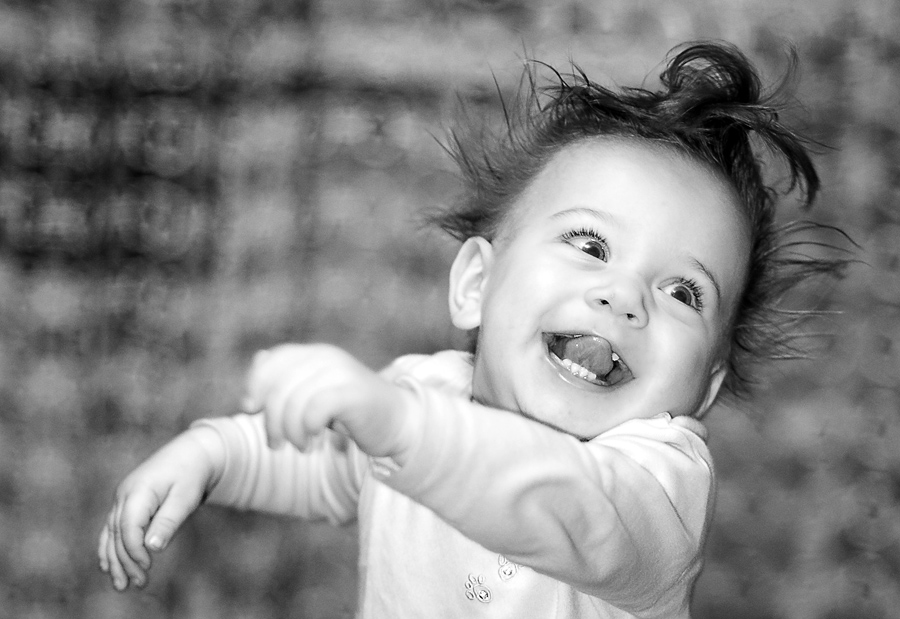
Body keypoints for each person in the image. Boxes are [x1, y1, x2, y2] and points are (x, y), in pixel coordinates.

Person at [98, 42, 848, 618]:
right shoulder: (423, 394)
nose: (624, 297)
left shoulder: (660, 490)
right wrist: (216, 453)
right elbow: (325, 469)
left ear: (706, 387)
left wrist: (400, 425)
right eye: (590, 245)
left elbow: (567, 507)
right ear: (476, 285)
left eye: (684, 291)